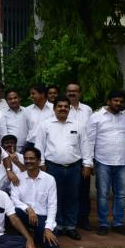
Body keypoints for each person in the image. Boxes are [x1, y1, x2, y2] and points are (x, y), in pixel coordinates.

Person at [33, 96, 91, 240]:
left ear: (69, 109)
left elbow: (85, 145)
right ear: (54, 108)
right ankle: (57, 226)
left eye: (66, 106)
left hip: (74, 167)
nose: (63, 108)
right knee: (54, 198)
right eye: (60, 106)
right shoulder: (45, 125)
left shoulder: (78, 125)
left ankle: (71, 226)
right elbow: (39, 145)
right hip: (52, 167)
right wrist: (41, 164)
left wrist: (87, 164)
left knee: (72, 197)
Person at [86, 90, 125, 236]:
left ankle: (118, 223)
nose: (118, 104)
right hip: (102, 161)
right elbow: (90, 140)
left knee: (121, 194)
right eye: (115, 101)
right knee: (103, 194)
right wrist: (89, 161)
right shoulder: (96, 117)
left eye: (121, 101)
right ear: (108, 101)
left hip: (123, 161)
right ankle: (103, 223)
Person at [11, 147, 60, 248]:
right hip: (24, 215)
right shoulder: (18, 178)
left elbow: (52, 205)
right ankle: (28, 234)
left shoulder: (49, 179)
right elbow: (14, 199)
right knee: (14, 210)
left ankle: (36, 234)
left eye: (32, 158)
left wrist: (48, 228)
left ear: (38, 161)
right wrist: (28, 209)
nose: (28, 161)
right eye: (26, 158)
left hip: (42, 218)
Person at [65, 82, 94, 231]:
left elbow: (91, 136)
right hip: (68, 156)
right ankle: (69, 220)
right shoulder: (61, 109)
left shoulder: (88, 110)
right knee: (69, 192)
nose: (72, 93)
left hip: (83, 156)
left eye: (75, 91)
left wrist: (88, 162)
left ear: (80, 93)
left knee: (83, 191)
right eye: (69, 91)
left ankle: (84, 219)